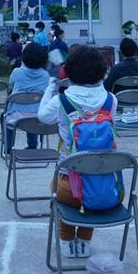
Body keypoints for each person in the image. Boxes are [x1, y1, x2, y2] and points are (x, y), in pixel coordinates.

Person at [38, 45, 118, 259]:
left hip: (69, 188)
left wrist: (50, 86)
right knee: (92, 183)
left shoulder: (61, 100)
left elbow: (43, 117)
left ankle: (66, 241)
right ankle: (84, 240)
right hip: (106, 188)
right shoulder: (111, 100)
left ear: (70, 72)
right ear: (102, 71)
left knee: (57, 187)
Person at [5, 42, 50, 149]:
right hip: (37, 115)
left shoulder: (17, 72)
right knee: (33, 111)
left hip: (16, 115)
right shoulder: (45, 75)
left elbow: (11, 83)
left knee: (7, 118)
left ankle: (8, 147)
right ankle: (32, 145)